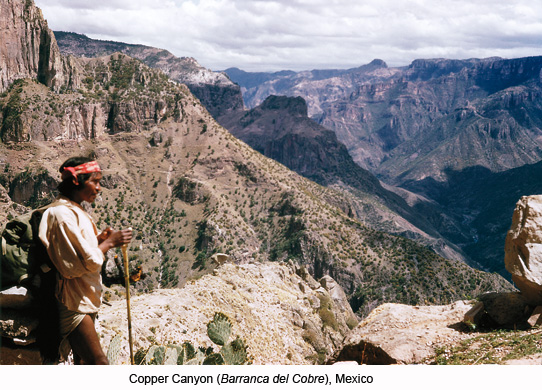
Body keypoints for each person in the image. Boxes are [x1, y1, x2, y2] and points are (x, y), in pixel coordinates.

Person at [38, 156, 132, 364]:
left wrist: (99, 240)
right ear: (76, 181)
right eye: (94, 181)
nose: (99, 188)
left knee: (84, 364)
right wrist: (109, 244)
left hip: (84, 297)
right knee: (99, 362)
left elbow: (79, 250)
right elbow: (75, 266)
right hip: (73, 301)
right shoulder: (61, 214)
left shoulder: (74, 210)